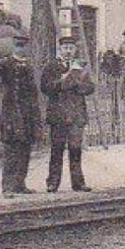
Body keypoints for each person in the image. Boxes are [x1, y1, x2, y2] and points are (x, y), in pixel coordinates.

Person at [0, 34, 40, 196]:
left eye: (24, 46)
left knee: (25, 151)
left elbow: (33, 93)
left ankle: (20, 184)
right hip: (11, 115)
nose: (21, 49)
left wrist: (35, 116)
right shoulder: (7, 63)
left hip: (27, 115)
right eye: (18, 46)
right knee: (11, 151)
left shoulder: (29, 66)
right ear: (14, 47)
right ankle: (7, 187)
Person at [42, 37, 97, 192]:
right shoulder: (51, 66)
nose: (68, 51)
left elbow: (90, 87)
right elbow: (45, 88)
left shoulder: (80, 66)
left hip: (76, 114)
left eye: (71, 48)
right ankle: (53, 182)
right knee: (57, 149)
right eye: (65, 48)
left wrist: (77, 84)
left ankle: (78, 182)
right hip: (58, 115)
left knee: (75, 149)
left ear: (75, 50)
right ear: (60, 49)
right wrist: (62, 82)